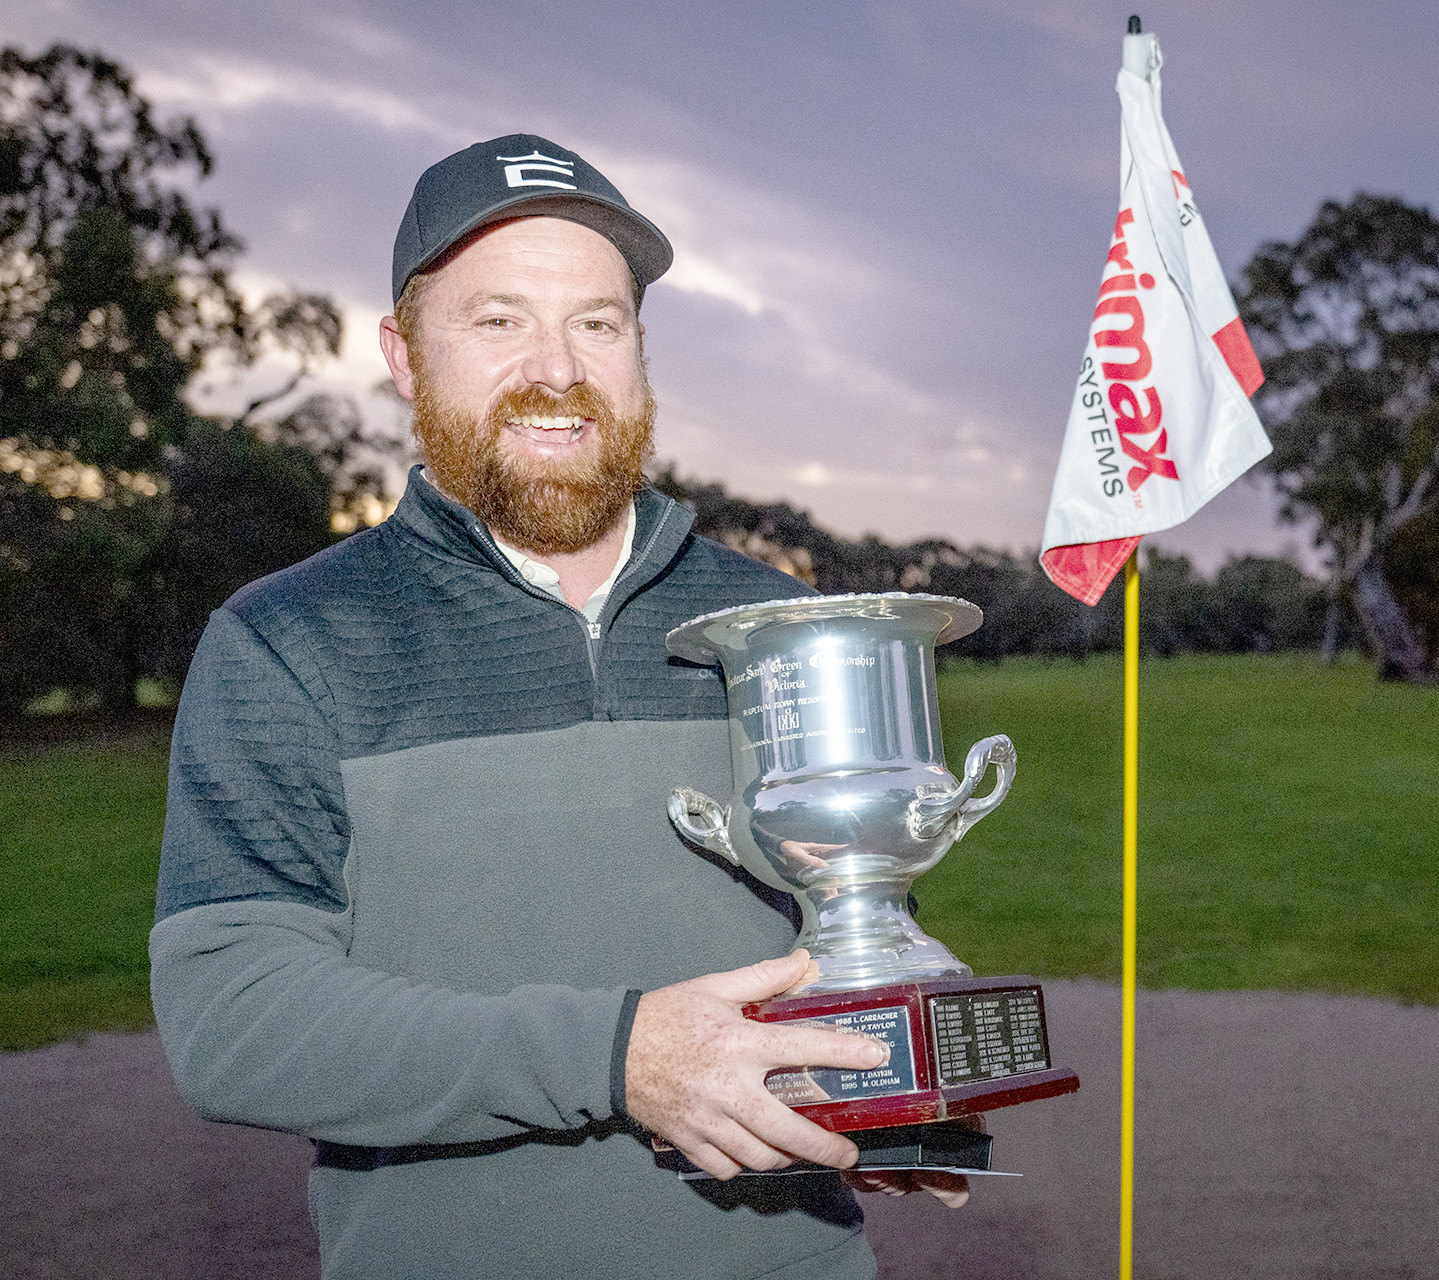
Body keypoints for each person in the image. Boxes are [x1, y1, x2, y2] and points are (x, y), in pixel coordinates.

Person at [150, 134, 961, 1280]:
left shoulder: (779, 622)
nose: (558, 367)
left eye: (598, 321)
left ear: (639, 350)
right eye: (499, 321)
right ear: (403, 352)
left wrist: (869, 1090)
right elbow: (235, 1020)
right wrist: (621, 1056)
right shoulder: (289, 639)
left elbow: (845, 930)